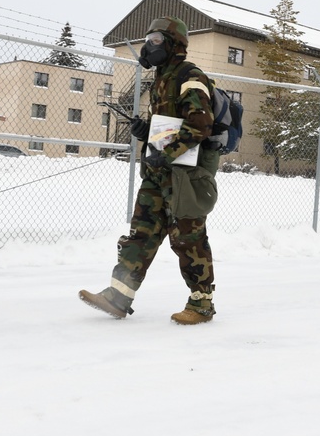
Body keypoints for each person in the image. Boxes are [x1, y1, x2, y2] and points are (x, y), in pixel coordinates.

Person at [79, 16, 220, 324]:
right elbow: (172, 124)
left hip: (184, 173)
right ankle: (119, 295)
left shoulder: (189, 75)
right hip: (158, 171)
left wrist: (166, 153)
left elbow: (200, 124)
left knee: (187, 237)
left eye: (156, 39)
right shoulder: (161, 77)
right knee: (142, 232)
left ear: (174, 44)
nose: (148, 45)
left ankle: (202, 304)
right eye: (148, 39)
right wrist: (147, 132)